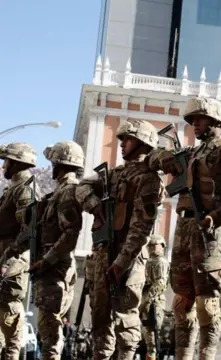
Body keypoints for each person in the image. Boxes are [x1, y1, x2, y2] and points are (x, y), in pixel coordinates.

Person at [148, 97, 221, 360]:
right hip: (184, 229)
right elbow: (155, 159)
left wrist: (218, 214)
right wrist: (162, 155)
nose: (194, 125)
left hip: (210, 234)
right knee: (181, 303)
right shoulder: (192, 153)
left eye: (200, 119)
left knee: (206, 305)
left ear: (216, 122)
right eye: (191, 121)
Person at [79, 119, 164, 360]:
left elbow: (141, 227)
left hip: (128, 259)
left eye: (128, 139)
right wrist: (93, 203)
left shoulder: (147, 179)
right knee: (99, 319)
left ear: (143, 142)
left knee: (126, 323)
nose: (122, 144)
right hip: (104, 253)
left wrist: (122, 261)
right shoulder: (113, 175)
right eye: (121, 138)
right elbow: (82, 187)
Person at [19, 141, 93, 360]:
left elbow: (70, 234)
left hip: (55, 271)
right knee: (46, 332)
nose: (51, 166)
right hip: (51, 270)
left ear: (60, 164)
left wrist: (46, 261)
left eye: (53, 162)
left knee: (50, 335)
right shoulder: (58, 192)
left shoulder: (68, 191)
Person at [0, 142, 41, 360]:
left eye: (6, 161)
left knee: (9, 317)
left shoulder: (25, 189)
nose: (3, 165)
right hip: (4, 256)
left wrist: (8, 259)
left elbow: (28, 230)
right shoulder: (13, 189)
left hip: (13, 261)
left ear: (16, 163)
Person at [140, 234, 170, 360]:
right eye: (150, 245)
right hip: (145, 299)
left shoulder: (161, 262)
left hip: (154, 302)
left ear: (162, 246)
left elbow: (160, 283)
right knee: (146, 334)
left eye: (155, 245)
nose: (152, 247)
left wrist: (148, 300)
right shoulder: (148, 261)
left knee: (152, 335)